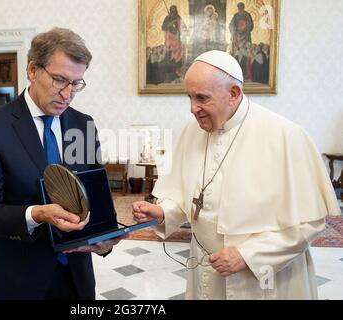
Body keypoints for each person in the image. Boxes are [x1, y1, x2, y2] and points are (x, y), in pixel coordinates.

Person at [132, 50, 340, 300]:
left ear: (233, 94)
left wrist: (248, 255)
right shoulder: (192, 131)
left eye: (201, 98)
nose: (192, 108)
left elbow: (309, 222)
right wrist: (165, 212)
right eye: (189, 97)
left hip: (265, 279)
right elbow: (193, 197)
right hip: (207, 268)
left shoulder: (285, 136)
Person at [0, 27, 124, 300]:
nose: (68, 93)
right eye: (60, 80)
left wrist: (105, 240)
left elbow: (93, 198)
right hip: (16, 279)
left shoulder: (82, 125)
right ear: (32, 70)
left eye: (76, 83)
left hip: (75, 279)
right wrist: (36, 214)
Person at [162, 5, 187, 78]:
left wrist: (178, 22)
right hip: (169, 37)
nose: (173, 11)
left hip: (177, 37)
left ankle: (177, 70)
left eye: (174, 9)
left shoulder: (178, 17)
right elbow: (163, 27)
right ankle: (170, 71)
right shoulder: (167, 18)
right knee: (169, 52)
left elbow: (183, 27)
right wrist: (172, 22)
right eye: (172, 9)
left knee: (179, 53)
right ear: (170, 10)